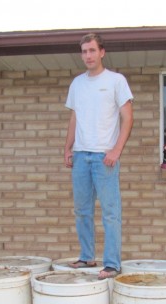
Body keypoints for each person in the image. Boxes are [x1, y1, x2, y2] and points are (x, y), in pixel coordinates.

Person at [64, 33, 134, 280]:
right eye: (84, 51)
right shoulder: (77, 84)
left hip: (105, 157)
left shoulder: (116, 81)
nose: (88, 56)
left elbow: (128, 117)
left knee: (110, 212)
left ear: (102, 52)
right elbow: (75, 117)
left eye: (92, 50)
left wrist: (116, 150)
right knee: (82, 210)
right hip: (81, 156)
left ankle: (112, 264)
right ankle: (87, 256)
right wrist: (68, 147)